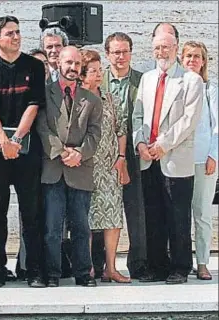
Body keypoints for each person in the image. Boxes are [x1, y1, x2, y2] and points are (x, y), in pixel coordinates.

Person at [0, 15, 46, 288]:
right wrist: (3, 141)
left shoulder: (35, 66)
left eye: (17, 32)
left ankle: (34, 269)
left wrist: (15, 139)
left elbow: (33, 105)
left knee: (32, 213)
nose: (16, 37)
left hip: (27, 152)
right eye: (9, 34)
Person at [133, 32, 203, 284]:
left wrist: (162, 144)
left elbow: (189, 120)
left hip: (175, 157)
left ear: (176, 48)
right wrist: (140, 143)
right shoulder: (147, 79)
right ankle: (156, 265)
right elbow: (138, 115)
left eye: (165, 47)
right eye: (156, 48)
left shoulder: (191, 80)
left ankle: (180, 267)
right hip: (148, 157)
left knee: (177, 214)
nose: (161, 52)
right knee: (153, 215)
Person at [37, 46, 102, 287]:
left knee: (81, 228)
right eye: (68, 62)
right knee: (52, 228)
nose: (73, 67)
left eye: (76, 63)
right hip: (54, 168)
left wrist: (80, 154)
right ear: (59, 63)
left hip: (80, 169)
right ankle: (53, 273)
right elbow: (43, 128)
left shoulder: (92, 100)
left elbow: (95, 133)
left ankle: (83, 274)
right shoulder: (44, 94)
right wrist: (62, 152)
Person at [95, 32, 147, 279]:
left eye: (125, 51)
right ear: (107, 54)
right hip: (102, 158)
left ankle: (138, 263)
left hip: (134, 154)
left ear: (131, 52)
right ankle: (101, 265)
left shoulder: (142, 80)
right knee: (101, 212)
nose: (121, 56)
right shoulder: (98, 80)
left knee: (136, 210)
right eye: (116, 52)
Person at [79, 49, 131, 284]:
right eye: (93, 71)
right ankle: (88, 267)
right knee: (85, 219)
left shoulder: (110, 98)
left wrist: (121, 157)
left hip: (109, 167)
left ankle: (111, 267)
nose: (99, 74)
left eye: (101, 70)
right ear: (82, 74)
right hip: (85, 167)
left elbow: (121, 129)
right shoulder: (77, 98)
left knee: (112, 218)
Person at [181, 40, 217, 281]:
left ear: (203, 61)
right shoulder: (176, 86)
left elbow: (217, 126)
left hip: (204, 160)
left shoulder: (210, 89)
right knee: (178, 214)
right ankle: (181, 262)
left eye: (197, 56)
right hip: (179, 160)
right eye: (188, 56)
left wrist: (214, 154)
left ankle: (203, 262)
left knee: (202, 213)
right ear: (181, 60)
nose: (192, 60)